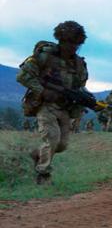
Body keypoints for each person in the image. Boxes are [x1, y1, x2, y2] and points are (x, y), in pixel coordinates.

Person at [16, 21, 89, 185]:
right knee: (52, 140)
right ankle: (43, 176)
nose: (73, 47)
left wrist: (87, 100)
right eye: (69, 42)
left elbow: (80, 86)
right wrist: (42, 91)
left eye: (76, 43)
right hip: (45, 105)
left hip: (65, 108)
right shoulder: (45, 56)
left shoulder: (79, 64)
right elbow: (22, 76)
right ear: (61, 40)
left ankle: (37, 155)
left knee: (62, 145)